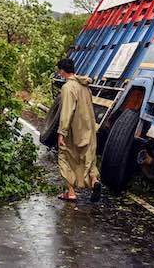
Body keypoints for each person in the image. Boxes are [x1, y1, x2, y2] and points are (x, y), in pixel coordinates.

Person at [55, 58, 102, 203]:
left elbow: (67, 111)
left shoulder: (68, 88)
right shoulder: (85, 86)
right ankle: (94, 181)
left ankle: (70, 192)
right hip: (89, 128)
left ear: (62, 71)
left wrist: (62, 132)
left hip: (75, 130)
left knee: (65, 157)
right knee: (89, 158)